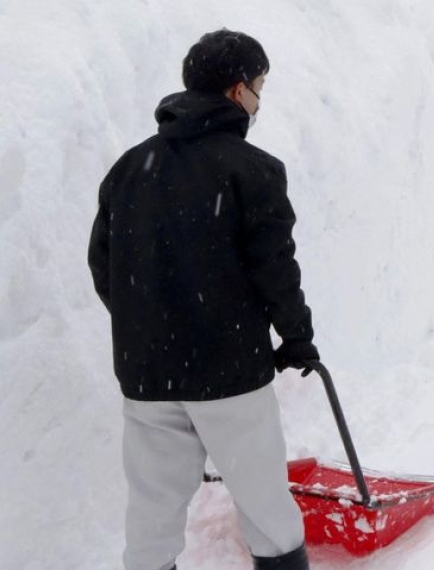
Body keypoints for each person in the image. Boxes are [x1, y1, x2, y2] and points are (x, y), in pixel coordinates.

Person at [88, 29, 318, 570]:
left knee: (152, 510)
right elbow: (274, 268)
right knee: (264, 504)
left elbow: (105, 266)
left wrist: (148, 323)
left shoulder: (128, 169)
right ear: (239, 91)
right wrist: (297, 336)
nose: (259, 99)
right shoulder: (253, 170)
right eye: (259, 86)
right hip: (229, 371)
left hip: (147, 375)